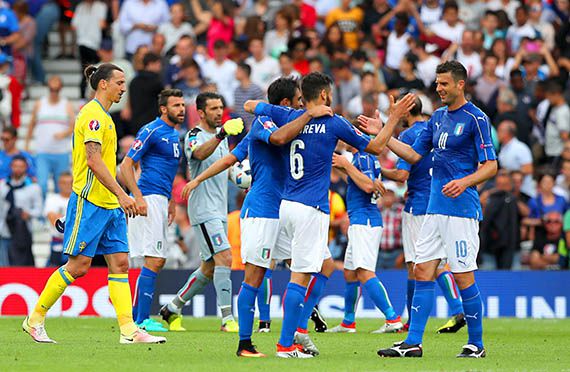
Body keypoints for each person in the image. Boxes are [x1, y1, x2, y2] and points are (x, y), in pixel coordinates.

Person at [250, 72, 416, 358]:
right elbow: (376, 147)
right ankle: (285, 344)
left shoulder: (287, 113)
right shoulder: (333, 123)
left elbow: (251, 105)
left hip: (286, 205)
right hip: (311, 208)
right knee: (300, 278)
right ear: (325, 95)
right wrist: (393, 117)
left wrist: (304, 113)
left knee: (310, 271)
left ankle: (297, 334)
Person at [181, 77, 332, 357]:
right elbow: (236, 157)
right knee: (254, 276)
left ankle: (299, 329)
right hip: (262, 210)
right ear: (286, 103)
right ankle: (245, 344)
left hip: (288, 211)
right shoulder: (265, 124)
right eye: (299, 100)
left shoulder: (298, 124)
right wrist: (197, 179)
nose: (303, 104)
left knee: (324, 266)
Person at [22, 63, 166, 344]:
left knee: (121, 263)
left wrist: (121, 196)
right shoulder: (92, 116)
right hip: (89, 201)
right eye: (120, 83)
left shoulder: (106, 117)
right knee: (78, 267)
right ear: (103, 84)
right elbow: (93, 160)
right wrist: (123, 194)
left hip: (109, 203)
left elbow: (108, 164)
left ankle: (128, 331)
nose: (124, 88)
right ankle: (34, 319)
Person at [363, 61, 497, 358]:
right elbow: (412, 155)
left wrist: (465, 182)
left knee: (463, 276)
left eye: (444, 83)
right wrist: (385, 133)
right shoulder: (436, 118)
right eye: (437, 83)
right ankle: (413, 342)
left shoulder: (476, 118)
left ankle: (476, 344)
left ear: (460, 84)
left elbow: (491, 166)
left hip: (460, 210)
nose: (439, 88)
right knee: (422, 270)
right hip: (433, 209)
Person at [159, 92, 244, 332]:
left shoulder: (222, 139)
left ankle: (172, 308)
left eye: (221, 107)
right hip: (203, 209)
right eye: (213, 108)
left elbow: (224, 166)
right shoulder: (194, 136)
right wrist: (222, 134)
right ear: (202, 112)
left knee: (209, 267)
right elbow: (199, 154)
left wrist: (242, 178)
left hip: (220, 208)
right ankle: (227, 319)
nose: (219, 112)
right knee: (225, 258)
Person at [381, 96, 466, 334]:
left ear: (405, 112)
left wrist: (377, 170)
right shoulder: (436, 128)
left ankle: (447, 311)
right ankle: (453, 309)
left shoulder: (408, 136)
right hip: (439, 201)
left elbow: (401, 175)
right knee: (436, 260)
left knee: (418, 265)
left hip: (417, 205)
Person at [119, 89, 185, 332]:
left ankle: (138, 318)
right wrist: (137, 197)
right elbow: (126, 166)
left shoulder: (173, 134)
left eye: (182, 104)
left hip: (160, 198)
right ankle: (141, 320)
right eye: (176, 105)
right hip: (148, 197)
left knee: (155, 258)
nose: (181, 109)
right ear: (163, 109)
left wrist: (170, 200)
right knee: (154, 259)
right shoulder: (152, 130)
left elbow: (166, 171)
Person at [327, 147, 404, 334]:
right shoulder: (360, 159)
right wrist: (342, 167)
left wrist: (345, 165)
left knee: (364, 272)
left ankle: (392, 318)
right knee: (350, 273)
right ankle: (348, 321)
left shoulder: (363, 158)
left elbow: (368, 186)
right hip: (359, 220)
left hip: (366, 221)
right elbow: (358, 182)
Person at [24, 75, 74, 197]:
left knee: (60, 187)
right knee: (42, 185)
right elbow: (31, 124)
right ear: (48, 89)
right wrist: (26, 144)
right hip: (42, 152)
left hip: (61, 152)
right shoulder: (40, 103)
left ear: (60, 89)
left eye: (56, 90)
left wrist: (64, 133)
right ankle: (42, 213)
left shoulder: (66, 104)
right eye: (51, 89)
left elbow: (74, 126)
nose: (54, 93)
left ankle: (59, 212)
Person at [0, 155, 42, 266]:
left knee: (22, 264)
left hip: (23, 232)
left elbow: (39, 210)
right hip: (5, 230)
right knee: (4, 265)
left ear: (26, 167)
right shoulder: (3, 186)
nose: (18, 169)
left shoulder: (33, 187)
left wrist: (28, 214)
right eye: (15, 166)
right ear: (11, 166)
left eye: (21, 166)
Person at [71, 0, 107, 99]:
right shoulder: (101, 6)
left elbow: (74, 26)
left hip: (83, 43)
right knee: (94, 71)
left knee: (86, 72)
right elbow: (102, 25)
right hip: (93, 44)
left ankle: (84, 96)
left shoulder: (80, 6)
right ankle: (92, 95)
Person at [128, 53, 164, 136]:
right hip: (153, 125)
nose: (160, 67)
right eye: (158, 64)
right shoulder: (156, 82)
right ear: (151, 64)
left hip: (136, 125)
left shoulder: (134, 81)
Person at [496, 120, 534, 197]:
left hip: (523, 192)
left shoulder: (520, 148)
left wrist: (509, 172)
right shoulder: (503, 148)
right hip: (509, 191)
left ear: (507, 133)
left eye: (499, 131)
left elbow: (529, 169)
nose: (497, 134)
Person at [44, 172, 72, 266]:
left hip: (75, 245)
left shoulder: (79, 200)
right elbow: (54, 220)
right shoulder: (52, 198)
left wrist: (60, 217)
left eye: (70, 182)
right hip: (57, 243)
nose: (67, 185)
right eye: (64, 182)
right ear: (59, 184)